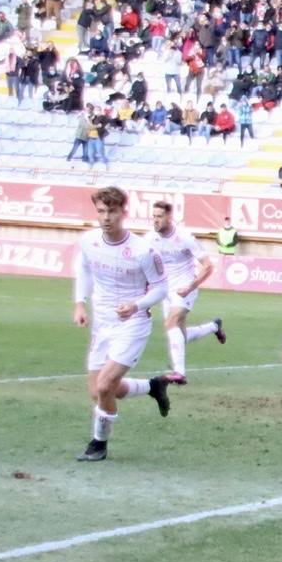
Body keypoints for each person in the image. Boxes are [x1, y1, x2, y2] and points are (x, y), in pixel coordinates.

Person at [73, 187, 182, 463]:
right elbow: (84, 269)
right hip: (103, 323)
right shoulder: (88, 241)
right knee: (100, 389)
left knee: (104, 386)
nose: (106, 217)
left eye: (111, 211)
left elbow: (161, 288)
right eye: (101, 211)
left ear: (124, 213)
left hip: (133, 323)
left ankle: (98, 444)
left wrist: (136, 305)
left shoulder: (143, 250)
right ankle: (152, 386)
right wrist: (79, 303)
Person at [148, 201, 227, 381]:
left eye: (159, 216)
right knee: (179, 337)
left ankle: (179, 373)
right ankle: (214, 326)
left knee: (170, 323)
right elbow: (145, 265)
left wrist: (191, 286)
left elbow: (208, 266)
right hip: (165, 291)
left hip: (185, 288)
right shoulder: (150, 238)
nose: (155, 220)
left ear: (169, 217)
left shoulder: (184, 237)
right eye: (153, 216)